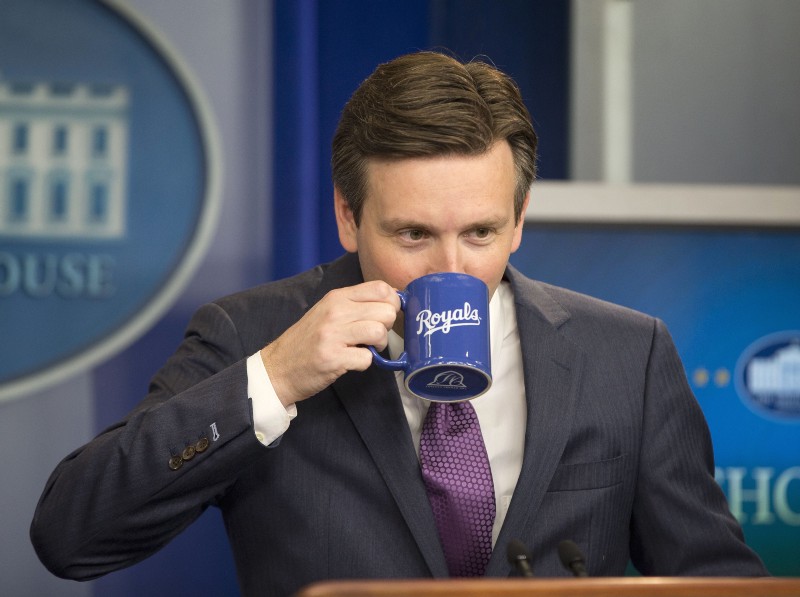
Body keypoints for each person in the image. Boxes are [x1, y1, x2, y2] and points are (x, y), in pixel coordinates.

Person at [30, 51, 767, 596]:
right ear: (347, 217)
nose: (451, 268)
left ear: (519, 221)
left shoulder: (626, 353)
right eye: (413, 234)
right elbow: (70, 536)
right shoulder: (250, 332)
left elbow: (719, 581)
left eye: (480, 232)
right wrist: (276, 377)